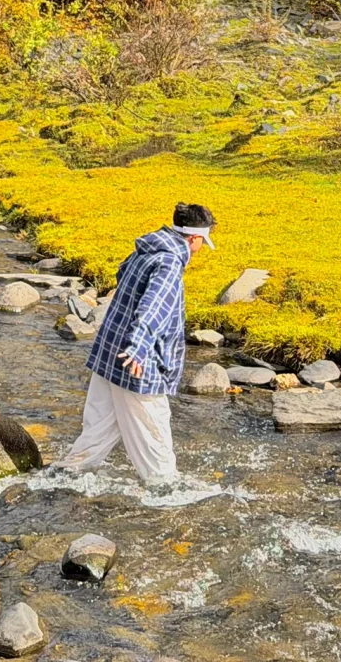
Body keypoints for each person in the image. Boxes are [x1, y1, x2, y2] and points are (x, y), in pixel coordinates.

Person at [58, 200, 217, 485]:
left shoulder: (148, 248)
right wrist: (139, 348)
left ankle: (62, 476)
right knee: (154, 433)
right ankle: (167, 494)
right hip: (137, 364)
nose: (200, 249)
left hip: (109, 353)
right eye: (203, 242)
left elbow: (122, 273)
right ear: (195, 238)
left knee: (98, 429)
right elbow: (153, 307)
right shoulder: (169, 262)